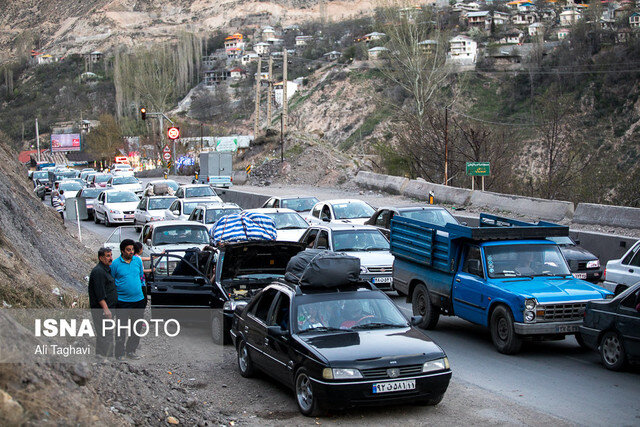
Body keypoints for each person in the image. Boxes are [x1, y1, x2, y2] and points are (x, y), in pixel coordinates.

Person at [110, 239, 146, 360]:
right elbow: (111, 282)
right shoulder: (115, 264)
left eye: (132, 250)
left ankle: (131, 350)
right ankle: (119, 353)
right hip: (122, 302)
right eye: (128, 250)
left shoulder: (137, 261)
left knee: (136, 327)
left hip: (138, 300)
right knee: (121, 328)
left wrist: (144, 296)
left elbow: (141, 277)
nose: (131, 252)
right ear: (122, 251)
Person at [88, 247, 117, 357]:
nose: (110, 258)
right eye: (107, 256)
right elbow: (99, 293)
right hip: (102, 309)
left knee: (106, 332)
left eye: (111, 255)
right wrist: (106, 309)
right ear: (101, 258)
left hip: (109, 307)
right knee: (105, 333)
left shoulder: (106, 270)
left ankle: (102, 355)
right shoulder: (98, 272)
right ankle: (105, 357)